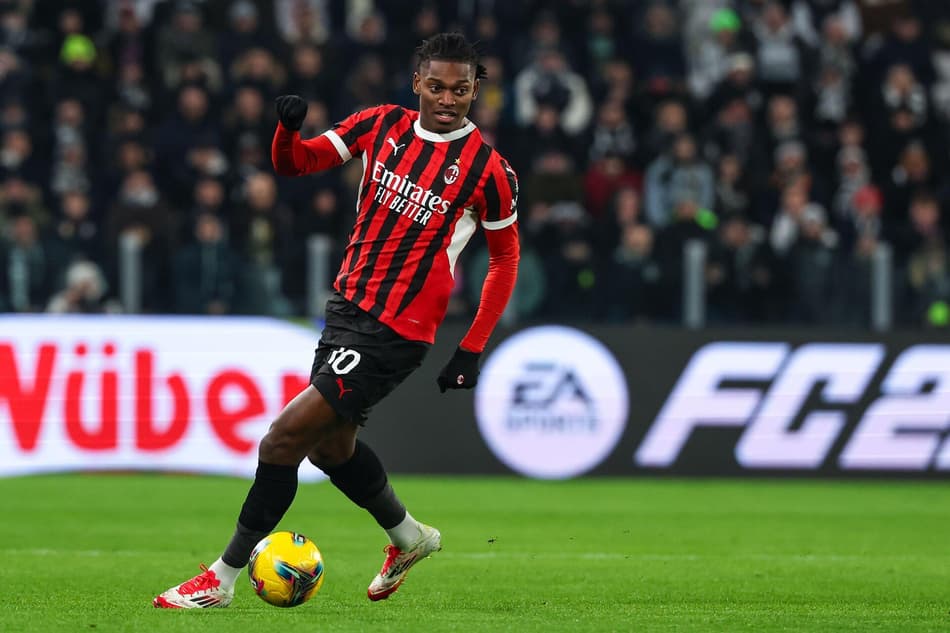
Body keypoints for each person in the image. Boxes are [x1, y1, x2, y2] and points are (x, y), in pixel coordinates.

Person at [153, 32, 520, 608]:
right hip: (347, 311)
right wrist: (287, 129)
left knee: (282, 441)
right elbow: (295, 163)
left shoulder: (488, 172)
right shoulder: (380, 125)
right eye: (437, 86)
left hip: (397, 331)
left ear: (476, 91)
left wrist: (471, 348)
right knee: (329, 450)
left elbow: (504, 260)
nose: (448, 99)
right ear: (417, 82)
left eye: (462, 89)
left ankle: (220, 579)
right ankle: (408, 537)